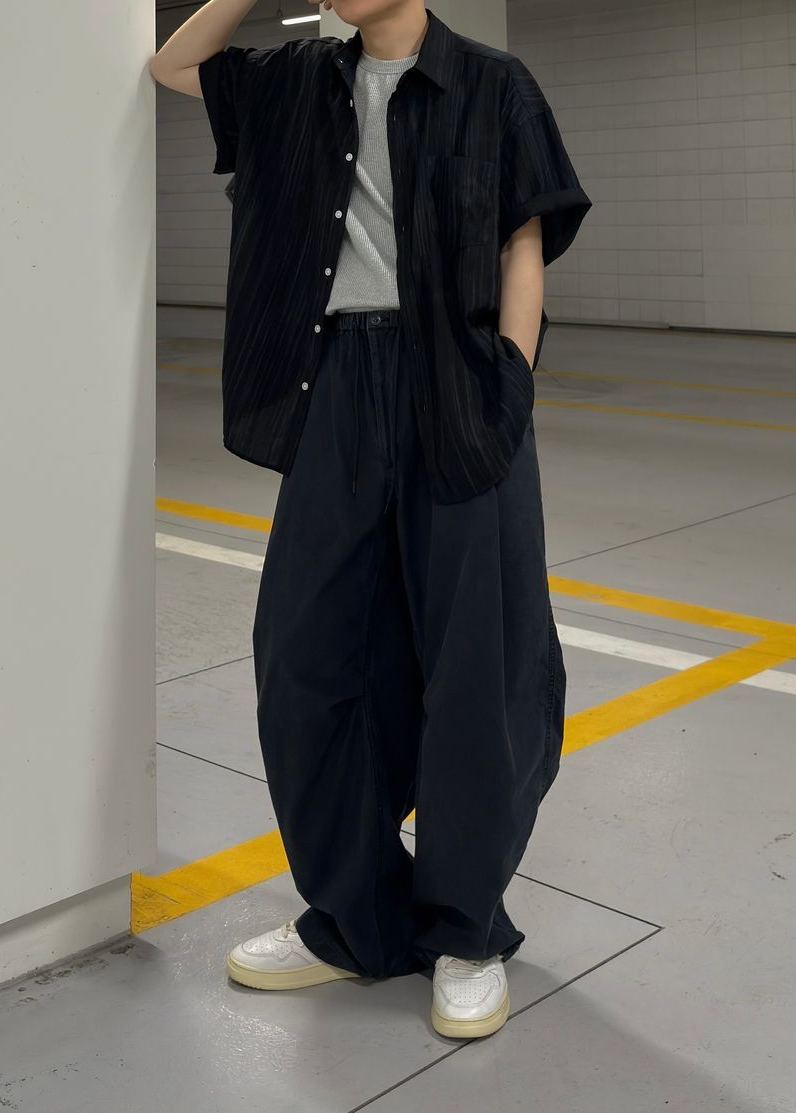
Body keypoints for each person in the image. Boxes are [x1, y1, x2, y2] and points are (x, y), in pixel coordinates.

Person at [149, 0, 591, 1039]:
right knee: (305, 653)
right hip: (336, 380)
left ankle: (464, 930)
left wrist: (510, 380)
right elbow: (173, 63)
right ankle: (352, 917)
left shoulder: (494, 85)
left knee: (477, 661)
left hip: (460, 382)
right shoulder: (301, 81)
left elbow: (523, 241)